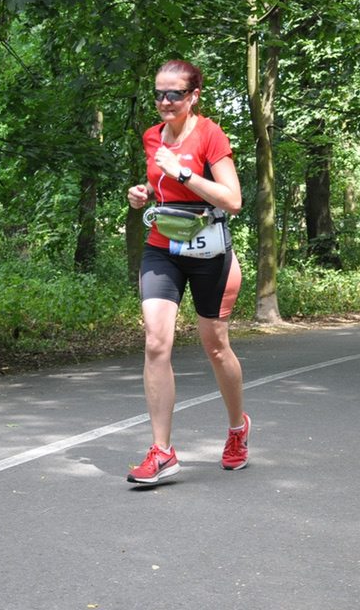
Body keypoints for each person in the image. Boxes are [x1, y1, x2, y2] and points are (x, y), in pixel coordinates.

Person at [125, 59, 248, 484]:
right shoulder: (152, 136)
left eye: (174, 94)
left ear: (193, 96)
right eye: (159, 93)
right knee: (156, 342)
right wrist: (142, 193)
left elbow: (233, 200)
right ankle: (162, 451)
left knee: (216, 346)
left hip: (210, 252)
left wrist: (183, 172)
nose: (164, 101)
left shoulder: (210, 135)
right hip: (163, 247)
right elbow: (161, 184)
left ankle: (237, 429)